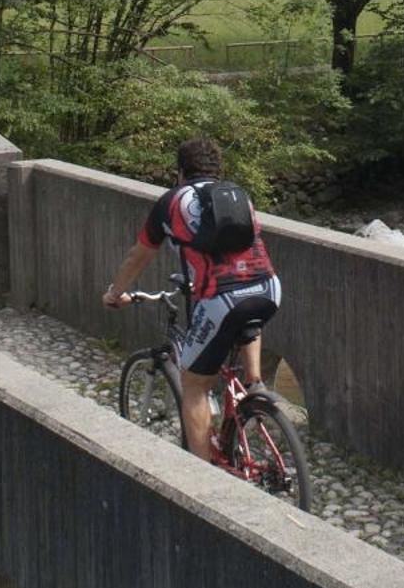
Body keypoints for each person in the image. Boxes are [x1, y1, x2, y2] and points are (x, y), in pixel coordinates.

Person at [103, 137, 281, 464]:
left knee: (195, 384)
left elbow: (138, 256)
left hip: (221, 298)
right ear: (218, 170)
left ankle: (203, 474)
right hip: (268, 288)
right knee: (247, 314)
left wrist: (116, 292)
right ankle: (254, 384)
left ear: (180, 172)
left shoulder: (171, 201)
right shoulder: (238, 195)